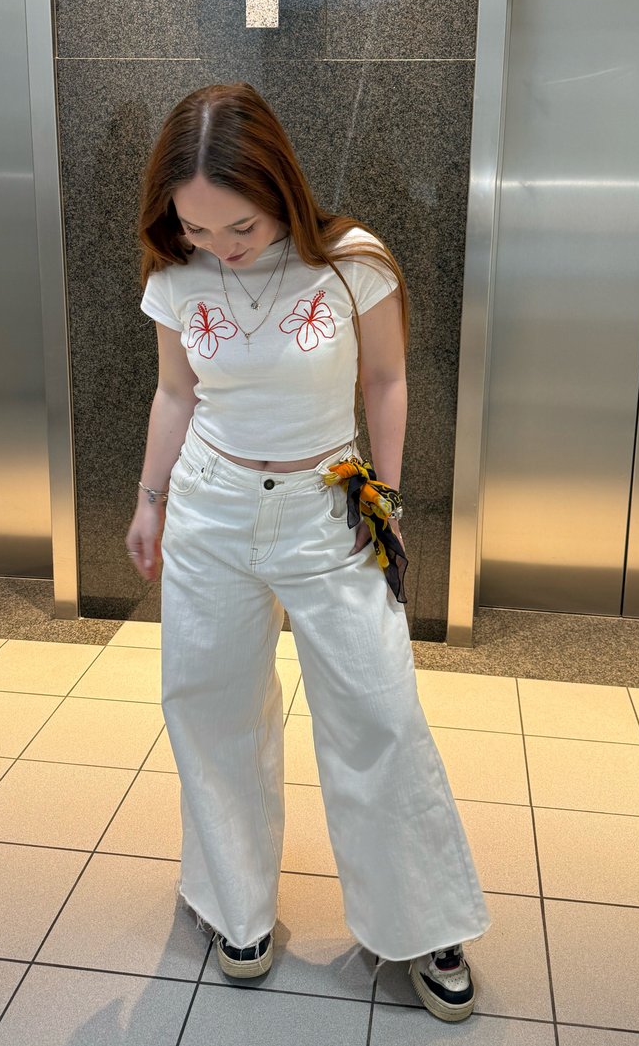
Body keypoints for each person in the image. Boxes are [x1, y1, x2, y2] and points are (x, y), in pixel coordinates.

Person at [125, 82, 490, 1023]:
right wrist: (149, 500)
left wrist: (392, 498)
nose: (221, 246)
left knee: (377, 706)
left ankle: (419, 922)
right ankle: (233, 905)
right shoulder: (174, 278)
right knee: (208, 700)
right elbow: (175, 395)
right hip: (210, 506)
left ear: (280, 185)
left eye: (238, 225)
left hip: (330, 504)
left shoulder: (353, 264)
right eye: (197, 229)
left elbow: (386, 376)